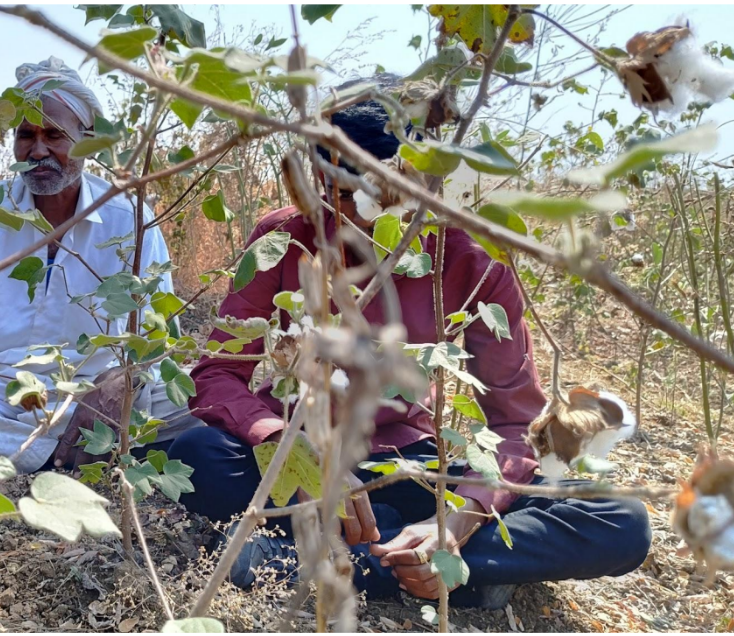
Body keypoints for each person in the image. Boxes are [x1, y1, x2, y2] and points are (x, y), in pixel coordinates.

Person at [166, 84, 651, 608]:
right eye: (333, 190)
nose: (348, 211)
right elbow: (217, 374)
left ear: (422, 176)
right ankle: (466, 577)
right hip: (299, 451)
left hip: (414, 463)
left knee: (620, 516)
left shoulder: (475, 260)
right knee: (197, 455)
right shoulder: (284, 237)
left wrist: (460, 521)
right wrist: (297, 455)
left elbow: (515, 425)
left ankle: (359, 561)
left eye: (370, 192)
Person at [0, 57, 201, 473]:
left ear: (86, 140)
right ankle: (63, 454)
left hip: (89, 395)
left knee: (198, 396)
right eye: (26, 135)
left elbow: (159, 336)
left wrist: (122, 383)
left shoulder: (129, 218)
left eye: (55, 135)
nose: (39, 150)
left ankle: (0, 452)